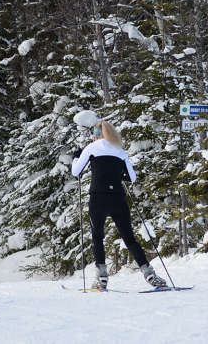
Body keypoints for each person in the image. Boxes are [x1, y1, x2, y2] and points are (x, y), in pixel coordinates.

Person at [71, 121, 167, 289]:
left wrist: (76, 157)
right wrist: (117, 173)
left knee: (97, 237)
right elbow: (132, 177)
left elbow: (76, 172)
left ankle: (102, 278)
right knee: (129, 238)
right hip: (118, 199)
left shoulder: (91, 148)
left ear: (97, 135)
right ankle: (149, 274)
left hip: (98, 198)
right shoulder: (120, 151)